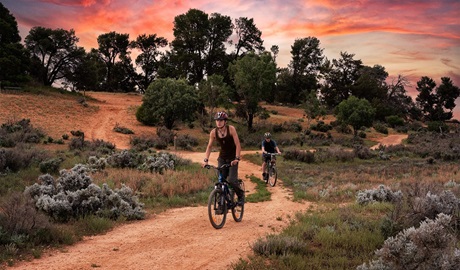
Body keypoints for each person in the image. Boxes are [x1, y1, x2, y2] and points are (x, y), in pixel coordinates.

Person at [203, 111, 245, 205]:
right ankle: (220, 204)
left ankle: (240, 195)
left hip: (233, 158)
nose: (219, 122)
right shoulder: (213, 132)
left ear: (225, 121)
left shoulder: (231, 129)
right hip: (222, 158)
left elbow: (238, 144)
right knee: (220, 180)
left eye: (221, 120)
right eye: (217, 120)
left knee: (232, 180)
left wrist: (237, 158)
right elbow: (209, 147)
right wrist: (206, 160)